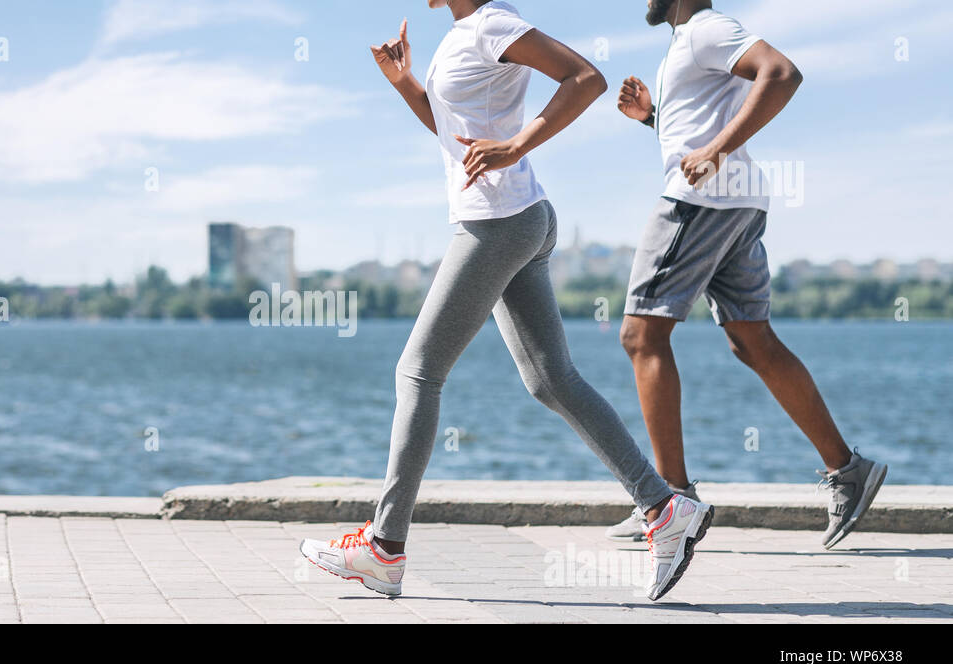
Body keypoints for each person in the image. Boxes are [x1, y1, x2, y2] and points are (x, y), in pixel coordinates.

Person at [299, 0, 712, 601]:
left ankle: (385, 548)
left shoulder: (493, 21)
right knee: (550, 378)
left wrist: (518, 144)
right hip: (515, 218)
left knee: (418, 373)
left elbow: (586, 78)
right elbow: (452, 133)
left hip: (497, 224)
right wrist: (405, 82)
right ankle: (662, 506)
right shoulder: (463, 34)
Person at [605, 0, 887, 549]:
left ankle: (670, 502)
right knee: (752, 341)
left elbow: (782, 73)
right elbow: (703, 121)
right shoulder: (691, 38)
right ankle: (847, 468)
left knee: (641, 335)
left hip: (700, 203)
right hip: (737, 202)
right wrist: (654, 119)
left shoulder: (706, 29)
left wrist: (713, 150)